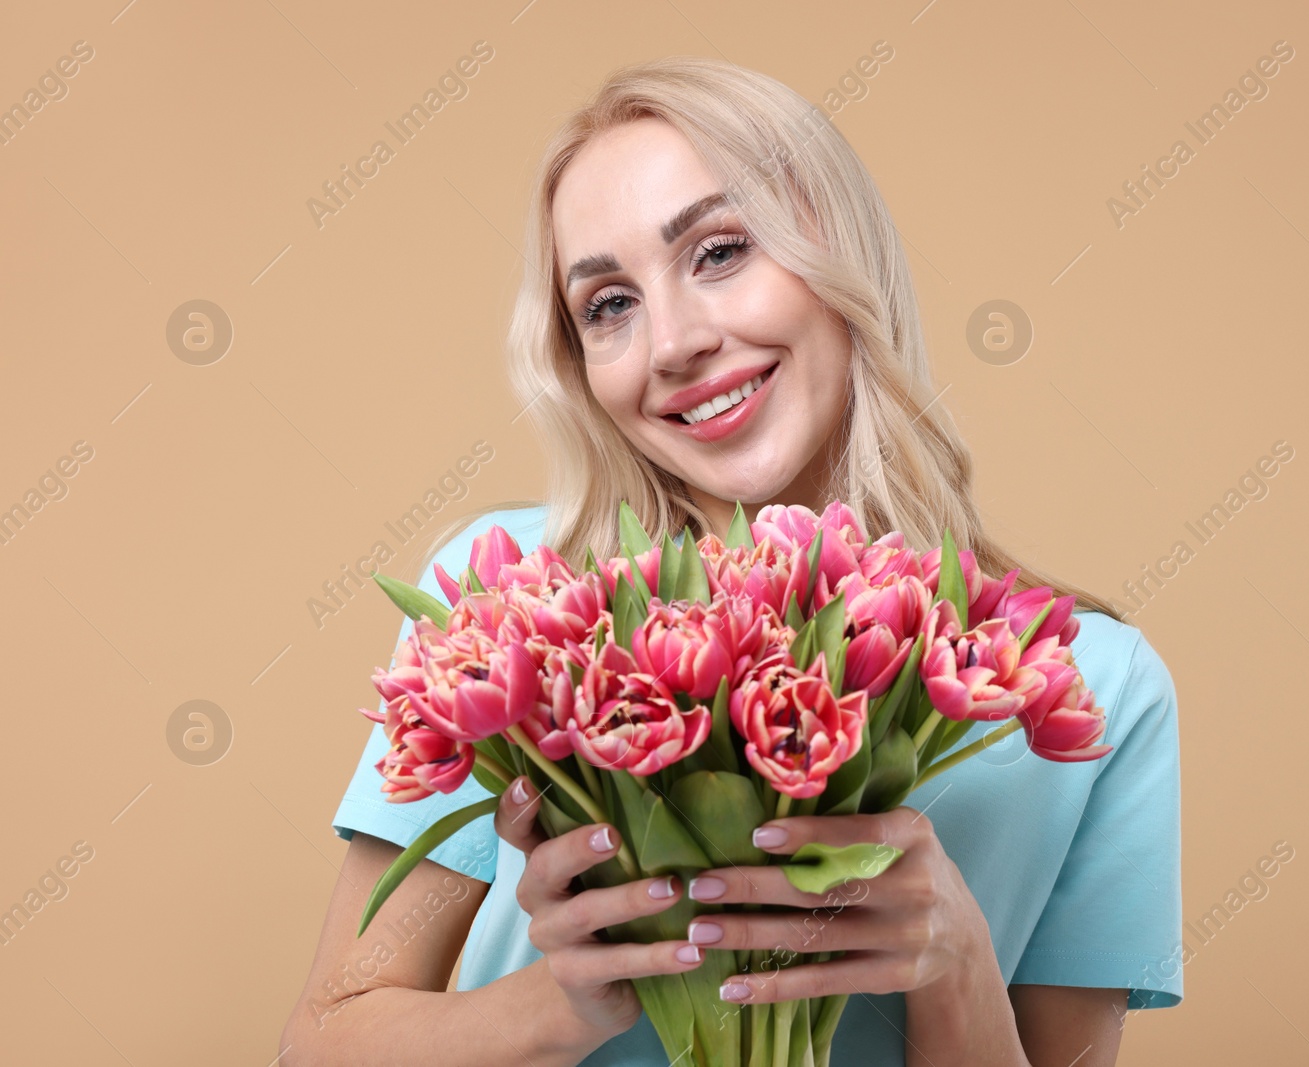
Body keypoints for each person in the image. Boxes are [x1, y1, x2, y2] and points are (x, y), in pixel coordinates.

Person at [280, 56, 1182, 1066]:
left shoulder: (1081, 679)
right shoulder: (509, 612)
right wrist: (563, 999)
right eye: (609, 304)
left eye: (718, 251)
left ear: (838, 254)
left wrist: (955, 961)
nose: (672, 341)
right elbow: (323, 1041)